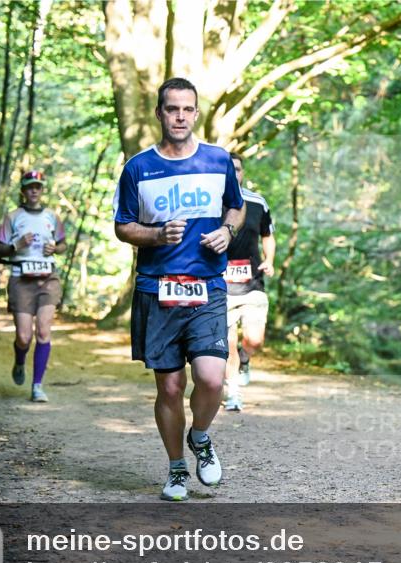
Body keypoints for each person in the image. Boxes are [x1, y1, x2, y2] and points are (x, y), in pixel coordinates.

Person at [113, 77, 245, 502]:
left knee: (211, 380)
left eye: (188, 109)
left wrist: (227, 230)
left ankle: (201, 437)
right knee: (169, 388)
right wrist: (154, 236)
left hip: (207, 287)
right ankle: (175, 470)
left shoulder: (217, 159)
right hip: (157, 290)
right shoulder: (138, 167)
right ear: (159, 113)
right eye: (173, 109)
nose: (181, 117)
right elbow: (122, 225)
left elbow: (237, 206)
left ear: (196, 113)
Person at [0, 170, 67, 402]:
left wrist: (55, 249)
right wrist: (16, 244)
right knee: (24, 336)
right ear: (23, 191)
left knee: (44, 331)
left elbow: (63, 244)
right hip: (21, 279)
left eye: (38, 186)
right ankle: (19, 360)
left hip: (48, 278)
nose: (34, 190)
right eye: (30, 187)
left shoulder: (52, 216)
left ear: (42, 190)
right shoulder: (12, 216)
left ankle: (37, 386)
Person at [223, 153, 275, 411]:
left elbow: (268, 234)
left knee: (254, 340)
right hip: (221, 287)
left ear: (243, 173)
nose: (234, 174)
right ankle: (233, 393)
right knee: (228, 342)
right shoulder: (209, 203)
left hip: (253, 283)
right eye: (228, 169)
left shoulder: (257, 202)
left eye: (238, 169)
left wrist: (270, 260)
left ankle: (245, 359)